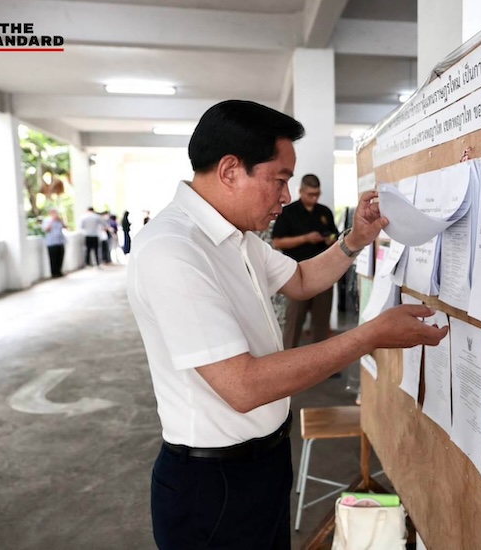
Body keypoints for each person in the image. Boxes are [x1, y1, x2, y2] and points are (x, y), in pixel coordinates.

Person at [127, 100, 447, 550]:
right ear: (230, 170)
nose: (286, 195)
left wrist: (354, 239)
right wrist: (369, 336)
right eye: (279, 179)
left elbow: (299, 279)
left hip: (265, 460)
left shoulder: (234, 235)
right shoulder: (173, 251)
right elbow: (243, 386)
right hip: (214, 482)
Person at [272, 174, 339, 351]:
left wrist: (330, 239)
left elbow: (335, 236)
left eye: (317, 194)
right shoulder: (288, 212)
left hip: (323, 273)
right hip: (295, 273)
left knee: (321, 323)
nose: (314, 198)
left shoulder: (324, 212)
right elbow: (278, 242)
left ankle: (322, 364)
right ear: (301, 191)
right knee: (294, 321)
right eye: (310, 194)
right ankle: (287, 364)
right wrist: (305, 239)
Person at [41, 208, 67, 278]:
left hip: (60, 241)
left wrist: (61, 220)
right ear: (51, 213)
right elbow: (46, 229)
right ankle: (54, 273)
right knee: (53, 259)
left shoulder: (59, 220)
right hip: (51, 242)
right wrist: (52, 221)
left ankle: (59, 271)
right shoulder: (47, 220)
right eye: (54, 213)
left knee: (60, 257)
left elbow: (65, 227)